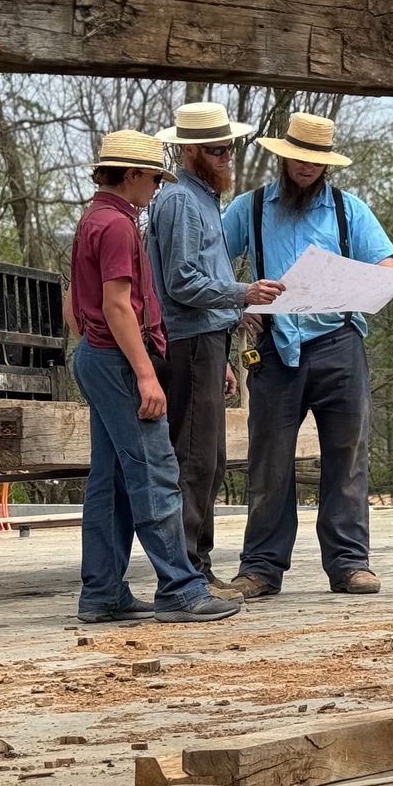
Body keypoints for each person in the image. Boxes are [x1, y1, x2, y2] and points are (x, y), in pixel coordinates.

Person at [221, 112, 393, 598]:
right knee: (269, 461)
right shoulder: (248, 209)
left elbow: (386, 264)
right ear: (284, 157)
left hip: (338, 344)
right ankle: (260, 569)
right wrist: (237, 304)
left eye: (316, 161)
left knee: (347, 455)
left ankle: (350, 563)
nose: (306, 168)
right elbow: (211, 266)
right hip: (273, 349)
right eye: (299, 159)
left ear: (326, 164)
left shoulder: (347, 209)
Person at [66, 130, 242, 624]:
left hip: (96, 356)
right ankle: (180, 587)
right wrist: (145, 374)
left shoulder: (93, 219)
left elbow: (75, 307)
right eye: (152, 179)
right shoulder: (119, 226)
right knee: (156, 470)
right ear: (134, 175)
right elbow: (117, 305)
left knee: (112, 480)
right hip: (119, 358)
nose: (155, 189)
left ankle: (101, 592)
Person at [147, 102, 286, 592]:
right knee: (192, 458)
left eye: (230, 146)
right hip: (185, 344)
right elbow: (182, 281)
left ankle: (196, 568)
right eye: (215, 148)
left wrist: (225, 345)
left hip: (205, 343)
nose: (226, 154)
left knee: (209, 459)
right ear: (189, 151)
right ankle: (185, 575)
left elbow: (200, 281)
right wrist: (242, 293)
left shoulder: (205, 199)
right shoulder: (181, 201)